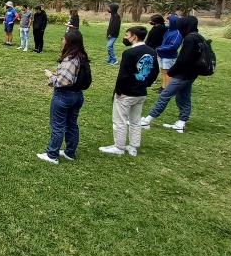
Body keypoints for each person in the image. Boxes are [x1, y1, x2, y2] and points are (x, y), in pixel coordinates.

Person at [99, 26, 159, 157]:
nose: (126, 38)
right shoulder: (152, 51)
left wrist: (119, 90)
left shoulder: (129, 54)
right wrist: (145, 83)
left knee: (119, 120)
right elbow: (155, 72)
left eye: (127, 35)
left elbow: (123, 75)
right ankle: (133, 146)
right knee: (135, 120)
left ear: (134, 37)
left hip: (127, 92)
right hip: (141, 92)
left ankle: (119, 147)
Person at [141, 16, 203, 133]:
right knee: (184, 97)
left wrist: (173, 70)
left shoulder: (190, 39)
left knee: (165, 95)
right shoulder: (198, 37)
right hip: (191, 73)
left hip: (183, 74)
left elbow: (183, 58)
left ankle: (147, 120)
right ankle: (181, 122)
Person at [37, 29, 89, 164]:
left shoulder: (70, 59)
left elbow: (64, 81)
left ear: (69, 41)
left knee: (58, 125)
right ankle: (69, 152)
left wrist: (51, 77)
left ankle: (52, 154)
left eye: (64, 38)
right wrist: (57, 74)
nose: (62, 41)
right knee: (72, 124)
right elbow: (72, 76)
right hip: (77, 95)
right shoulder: (81, 56)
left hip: (64, 96)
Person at [154, 15, 182, 92]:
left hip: (169, 55)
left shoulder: (177, 33)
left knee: (168, 72)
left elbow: (173, 46)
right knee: (163, 71)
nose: (165, 23)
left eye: (167, 22)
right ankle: (163, 87)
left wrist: (159, 48)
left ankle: (167, 89)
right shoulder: (168, 31)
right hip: (162, 54)